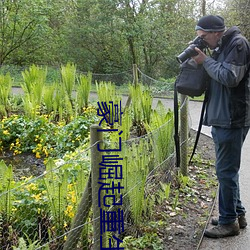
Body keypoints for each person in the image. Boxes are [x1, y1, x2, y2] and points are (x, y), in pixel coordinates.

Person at [192, 15, 250, 238]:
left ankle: (228, 223)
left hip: (232, 118)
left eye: (204, 37)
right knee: (227, 171)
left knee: (225, 171)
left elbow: (229, 77)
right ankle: (237, 214)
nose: (203, 41)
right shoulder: (221, 46)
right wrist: (202, 60)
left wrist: (205, 61)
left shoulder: (238, 44)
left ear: (216, 32)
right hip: (222, 117)